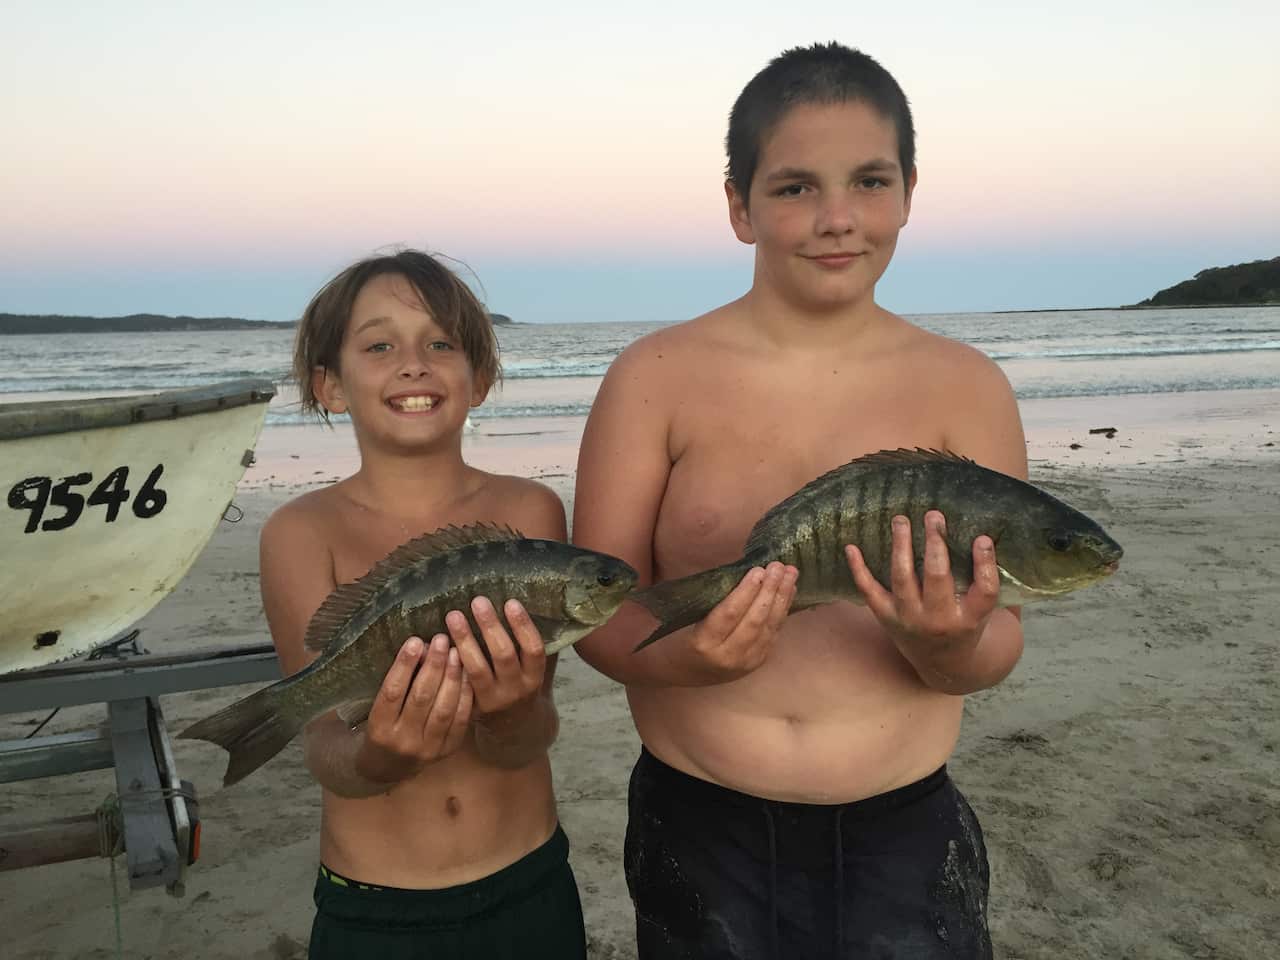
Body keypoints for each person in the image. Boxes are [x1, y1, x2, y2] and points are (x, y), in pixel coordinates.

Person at [573, 42, 1027, 959]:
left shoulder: (967, 386)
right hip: (702, 825)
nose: (836, 218)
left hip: (904, 829)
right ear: (740, 206)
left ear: (908, 192)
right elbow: (597, 615)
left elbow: (1002, 631)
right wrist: (689, 662)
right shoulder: (655, 377)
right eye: (793, 188)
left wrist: (949, 648)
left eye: (868, 181)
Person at [260, 250, 586, 959]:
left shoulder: (530, 511)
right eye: (379, 345)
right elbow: (326, 748)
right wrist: (379, 756)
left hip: (527, 881)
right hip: (373, 907)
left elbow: (527, 742)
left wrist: (510, 710)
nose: (414, 363)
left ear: (481, 379)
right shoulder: (299, 533)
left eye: (442, 343)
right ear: (330, 384)